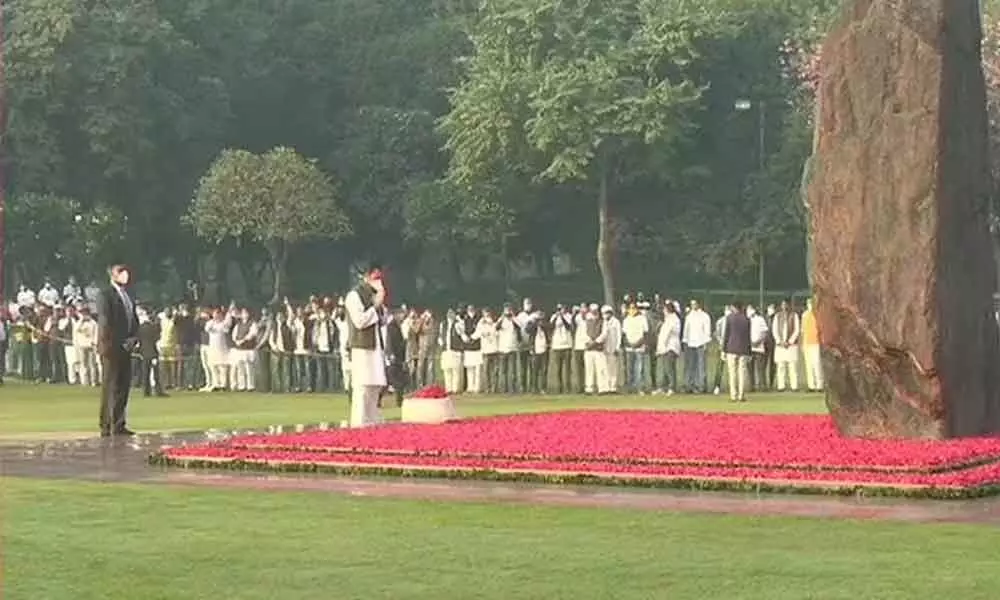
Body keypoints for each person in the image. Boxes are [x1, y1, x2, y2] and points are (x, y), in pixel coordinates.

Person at [96, 264, 140, 437]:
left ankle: (119, 423)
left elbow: (133, 319)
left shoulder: (128, 296)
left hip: (126, 346)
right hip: (112, 346)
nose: (124, 275)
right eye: (120, 272)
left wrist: (133, 338)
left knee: (123, 385)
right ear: (112, 275)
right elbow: (105, 321)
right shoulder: (105, 295)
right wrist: (110, 343)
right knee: (110, 385)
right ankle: (106, 424)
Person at [344, 264, 388, 427]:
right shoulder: (354, 296)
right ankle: (360, 422)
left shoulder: (374, 295)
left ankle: (373, 420)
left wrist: (380, 302)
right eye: (375, 278)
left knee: (375, 385)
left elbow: (383, 320)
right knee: (362, 386)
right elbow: (360, 321)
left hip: (375, 346)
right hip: (362, 348)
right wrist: (376, 305)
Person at [722, 302, 752, 403]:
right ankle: (741, 395)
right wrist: (749, 351)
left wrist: (723, 350)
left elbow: (726, 334)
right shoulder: (746, 319)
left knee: (732, 373)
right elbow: (748, 337)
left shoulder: (730, 318)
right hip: (743, 349)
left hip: (731, 348)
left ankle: (733, 395)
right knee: (742, 373)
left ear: (734, 307)